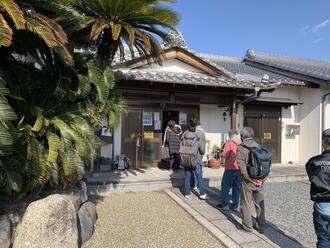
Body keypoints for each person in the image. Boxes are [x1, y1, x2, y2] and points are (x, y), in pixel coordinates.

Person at [237, 127, 266, 233]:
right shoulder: (259, 146)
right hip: (260, 180)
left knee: (246, 203)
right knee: (260, 203)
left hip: (247, 181)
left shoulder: (241, 147)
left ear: (242, 136)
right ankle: (261, 225)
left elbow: (241, 166)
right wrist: (262, 179)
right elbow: (266, 164)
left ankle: (247, 226)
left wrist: (250, 179)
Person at [306, 128, 330, 248]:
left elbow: (312, 176)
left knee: (323, 239)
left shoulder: (313, 162)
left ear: (323, 143)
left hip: (322, 204)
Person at [182, 118, 207, 199]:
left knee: (187, 176)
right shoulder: (200, 133)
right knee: (199, 177)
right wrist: (202, 153)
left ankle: (187, 193)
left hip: (186, 158)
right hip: (197, 158)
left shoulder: (184, 134)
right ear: (196, 125)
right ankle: (202, 193)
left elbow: (181, 146)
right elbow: (202, 149)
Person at [216, 129, 241, 211]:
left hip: (230, 168)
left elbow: (225, 154)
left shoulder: (229, 142)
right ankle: (235, 206)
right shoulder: (240, 143)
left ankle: (225, 204)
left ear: (230, 136)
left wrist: (220, 154)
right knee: (236, 188)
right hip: (239, 168)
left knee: (225, 187)